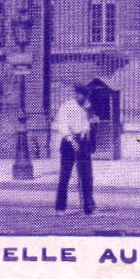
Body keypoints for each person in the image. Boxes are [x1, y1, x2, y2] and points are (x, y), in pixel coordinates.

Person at [54, 84, 96, 215]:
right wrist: (72, 141)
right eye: (79, 94)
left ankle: (88, 207)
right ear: (76, 94)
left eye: (84, 95)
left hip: (82, 141)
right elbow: (62, 126)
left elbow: (87, 124)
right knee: (65, 176)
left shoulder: (86, 107)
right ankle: (60, 207)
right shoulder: (67, 107)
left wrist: (86, 130)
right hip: (68, 142)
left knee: (86, 175)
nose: (81, 97)